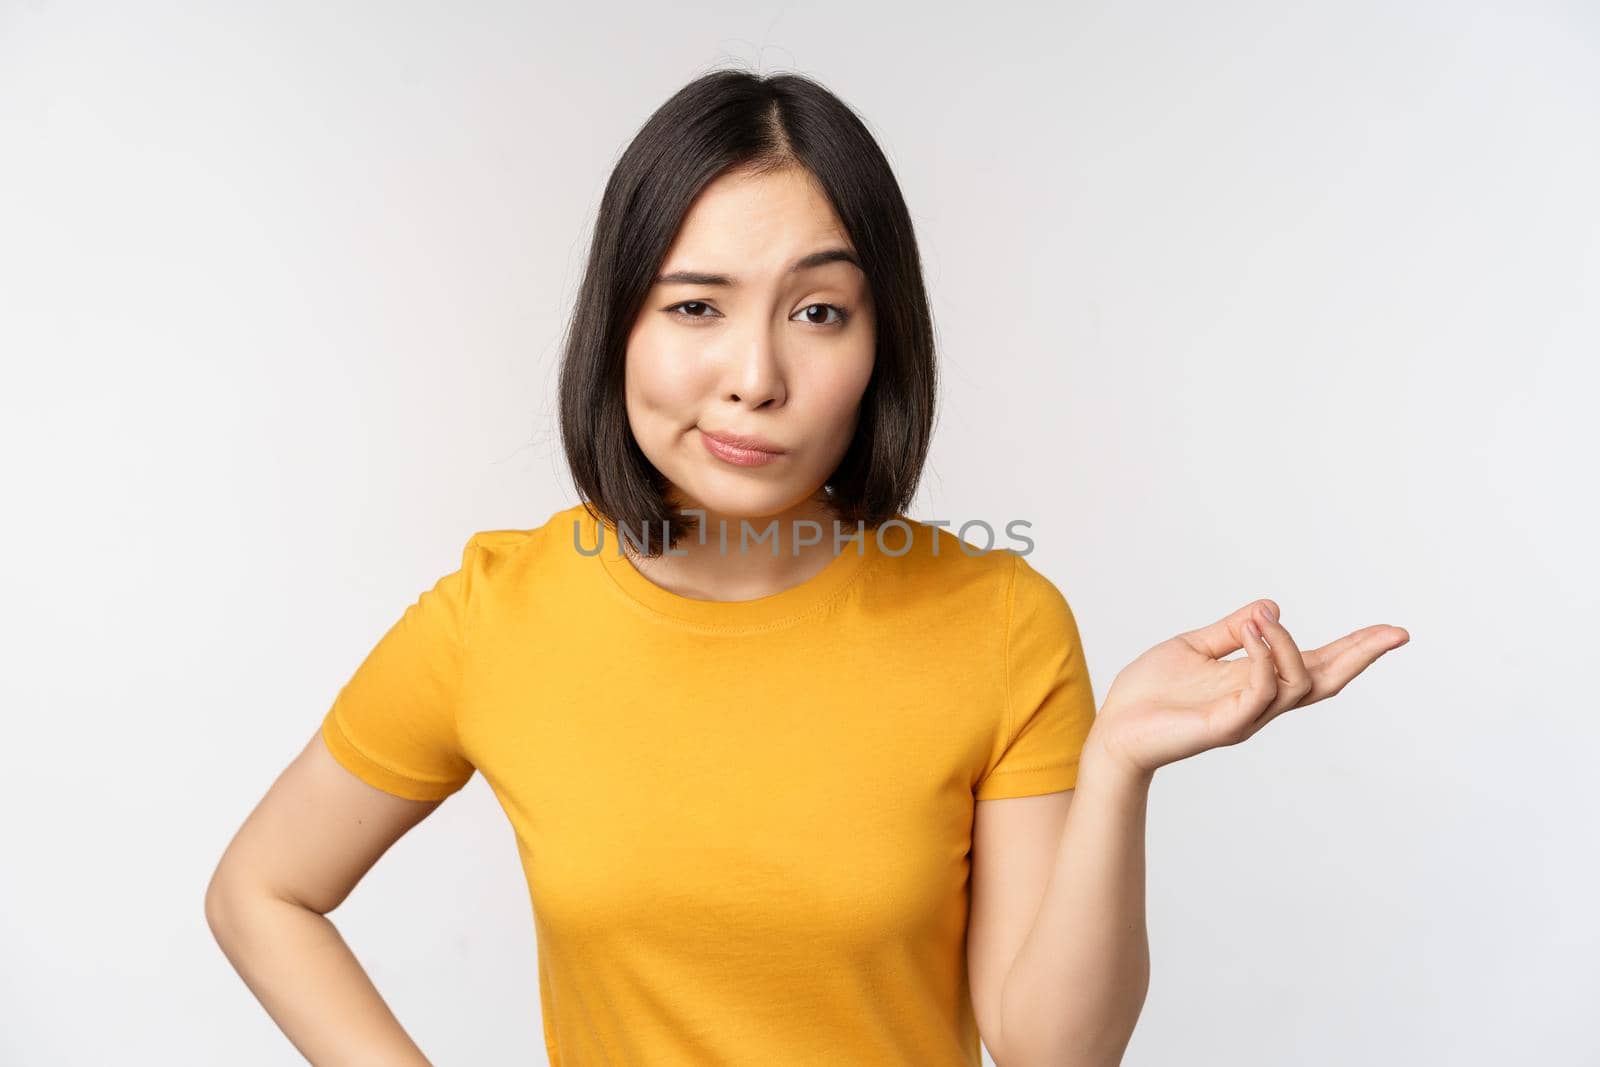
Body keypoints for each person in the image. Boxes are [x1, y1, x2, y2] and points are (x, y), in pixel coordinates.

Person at [204, 67, 1410, 1067]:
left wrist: (1119, 766)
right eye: (694, 307)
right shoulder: (499, 614)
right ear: (617, 320)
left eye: (818, 311)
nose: (755, 375)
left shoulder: (998, 620)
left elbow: (1051, 1051)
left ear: (881, 345)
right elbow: (262, 890)